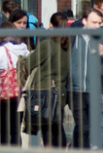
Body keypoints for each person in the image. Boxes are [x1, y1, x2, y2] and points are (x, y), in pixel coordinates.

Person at [18, 12, 71, 147]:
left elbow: (30, 63)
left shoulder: (48, 44)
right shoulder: (67, 47)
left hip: (44, 94)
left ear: (51, 25)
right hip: (60, 93)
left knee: (48, 133)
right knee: (57, 130)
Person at [69, 8, 103, 148]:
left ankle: (75, 148)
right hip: (75, 89)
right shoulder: (74, 37)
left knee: (89, 128)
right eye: (94, 22)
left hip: (94, 90)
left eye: (99, 23)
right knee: (83, 127)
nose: (97, 26)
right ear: (84, 21)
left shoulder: (102, 40)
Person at [0, 19, 31, 146]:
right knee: (15, 129)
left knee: (4, 130)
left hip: (3, 94)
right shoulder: (24, 49)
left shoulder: (1, 51)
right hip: (19, 92)